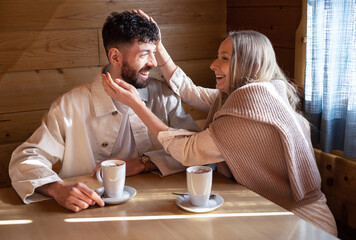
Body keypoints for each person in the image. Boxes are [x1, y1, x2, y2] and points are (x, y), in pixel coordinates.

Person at [102, 11, 337, 236]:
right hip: (269, 210)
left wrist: (137, 105)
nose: (213, 65)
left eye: (224, 59)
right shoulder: (251, 96)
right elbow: (189, 91)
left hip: (302, 221)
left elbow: (188, 151)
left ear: (251, 67)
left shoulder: (248, 113)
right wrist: (159, 45)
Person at [9, 11, 199, 213]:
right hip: (86, 212)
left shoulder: (164, 96)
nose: (153, 62)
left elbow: (197, 150)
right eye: (144, 54)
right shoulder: (70, 105)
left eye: (154, 52)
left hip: (156, 207)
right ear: (115, 56)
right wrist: (56, 189)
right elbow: (25, 159)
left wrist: (145, 162)